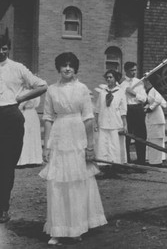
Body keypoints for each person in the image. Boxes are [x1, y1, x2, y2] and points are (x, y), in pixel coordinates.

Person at [40, 52, 107, 245]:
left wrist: (90, 146)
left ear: (75, 68)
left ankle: (76, 227)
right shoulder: (51, 90)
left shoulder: (82, 89)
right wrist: (46, 146)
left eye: (70, 65)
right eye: (63, 65)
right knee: (58, 182)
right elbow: (47, 118)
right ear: (58, 68)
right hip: (59, 137)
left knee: (77, 181)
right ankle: (58, 229)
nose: (67, 68)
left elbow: (88, 118)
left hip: (78, 136)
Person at [0, 34, 47, 223]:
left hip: (11, 116)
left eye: (4, 47)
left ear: (8, 48)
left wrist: (20, 99)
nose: (1, 51)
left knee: (6, 166)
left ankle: (3, 208)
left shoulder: (17, 68)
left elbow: (42, 85)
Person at [94, 70, 128, 165]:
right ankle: (105, 165)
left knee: (114, 146)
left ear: (115, 78)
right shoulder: (102, 92)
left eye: (111, 77)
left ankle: (115, 165)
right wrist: (96, 122)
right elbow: (97, 108)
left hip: (115, 123)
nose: (108, 79)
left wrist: (125, 124)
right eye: (107, 77)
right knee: (103, 145)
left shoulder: (120, 92)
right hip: (103, 122)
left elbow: (123, 110)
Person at [120, 62, 147, 164]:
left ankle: (141, 162)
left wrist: (134, 93)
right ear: (126, 71)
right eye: (132, 70)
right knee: (127, 136)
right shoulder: (122, 85)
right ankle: (127, 162)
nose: (134, 72)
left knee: (141, 136)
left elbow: (144, 99)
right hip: (127, 110)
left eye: (135, 70)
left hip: (138, 110)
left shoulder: (139, 82)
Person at [144, 79, 167, 166]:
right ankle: (152, 159)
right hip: (151, 118)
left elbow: (158, 100)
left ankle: (157, 161)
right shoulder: (149, 91)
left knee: (157, 139)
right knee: (152, 138)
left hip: (157, 118)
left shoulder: (156, 89)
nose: (146, 83)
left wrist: (150, 108)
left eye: (148, 81)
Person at [17, 92, 42, 166]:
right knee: (30, 136)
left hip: (26, 114)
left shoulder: (25, 92)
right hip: (32, 114)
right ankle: (33, 159)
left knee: (26, 136)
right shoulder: (36, 91)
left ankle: (25, 160)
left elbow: (20, 105)